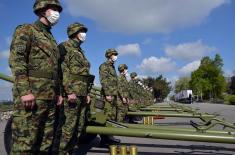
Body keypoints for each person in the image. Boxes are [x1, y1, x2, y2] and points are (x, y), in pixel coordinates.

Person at [8, 0, 63, 154]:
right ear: (42, 11)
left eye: (58, 9)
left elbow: (54, 70)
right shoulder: (26, 29)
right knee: (25, 144)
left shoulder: (51, 38)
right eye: (53, 9)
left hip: (49, 97)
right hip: (32, 95)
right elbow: (17, 60)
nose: (57, 13)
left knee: (45, 143)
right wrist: (25, 91)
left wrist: (58, 93)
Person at [57, 22, 95, 154]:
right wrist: (69, 91)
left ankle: (71, 151)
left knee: (78, 127)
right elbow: (63, 70)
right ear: (74, 33)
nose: (84, 34)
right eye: (81, 31)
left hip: (82, 94)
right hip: (72, 95)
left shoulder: (80, 51)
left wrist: (87, 93)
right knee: (68, 127)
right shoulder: (64, 47)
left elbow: (84, 75)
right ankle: (61, 151)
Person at [99, 48, 120, 146]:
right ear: (109, 55)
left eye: (116, 54)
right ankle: (104, 140)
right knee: (106, 117)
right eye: (114, 54)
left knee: (111, 117)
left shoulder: (112, 67)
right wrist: (107, 94)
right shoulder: (104, 66)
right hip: (108, 96)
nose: (116, 56)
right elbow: (104, 80)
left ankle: (109, 137)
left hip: (113, 95)